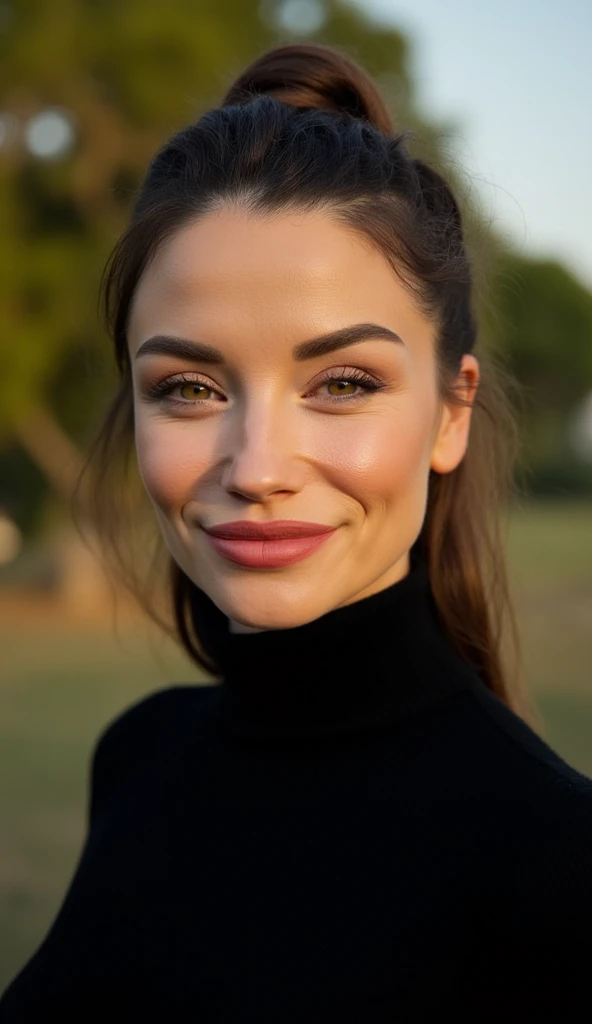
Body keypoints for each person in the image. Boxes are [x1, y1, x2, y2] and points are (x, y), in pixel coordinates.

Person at [2, 41, 591, 1021]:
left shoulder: (556, 866)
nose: (258, 464)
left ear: (451, 412)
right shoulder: (139, 759)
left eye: (343, 383)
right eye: (188, 387)